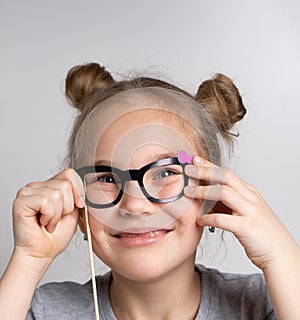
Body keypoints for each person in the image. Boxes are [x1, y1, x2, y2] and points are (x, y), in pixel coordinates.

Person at [0, 63, 299, 320]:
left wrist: (280, 255)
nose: (135, 204)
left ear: (211, 193)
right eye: (105, 178)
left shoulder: (265, 303)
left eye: (166, 172)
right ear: (78, 206)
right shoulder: (46, 310)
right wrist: (29, 258)